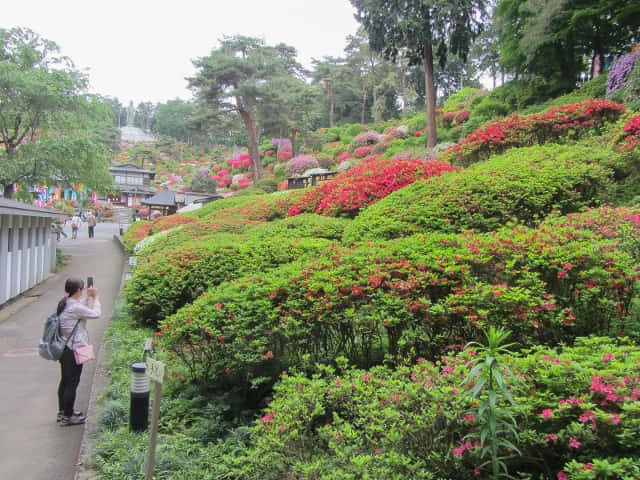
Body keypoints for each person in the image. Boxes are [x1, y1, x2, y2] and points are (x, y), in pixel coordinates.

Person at [56, 277, 101, 426]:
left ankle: (63, 412)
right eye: (82, 289)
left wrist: (87, 298)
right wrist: (95, 297)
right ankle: (68, 416)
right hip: (74, 350)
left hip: (65, 349)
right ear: (78, 290)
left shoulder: (65, 302)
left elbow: (79, 308)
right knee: (72, 383)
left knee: (65, 381)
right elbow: (95, 314)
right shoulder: (74, 307)